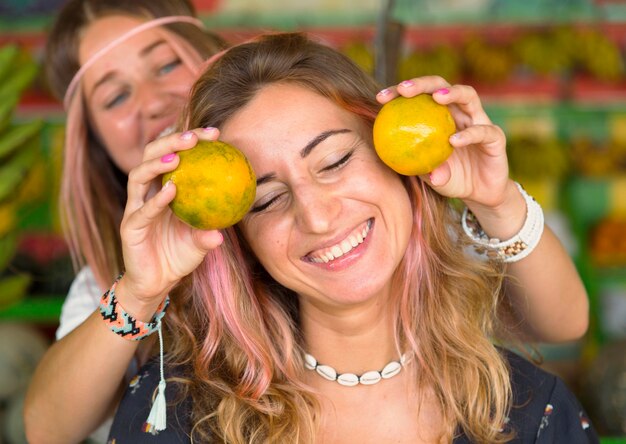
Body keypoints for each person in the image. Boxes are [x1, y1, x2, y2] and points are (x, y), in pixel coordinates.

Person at [23, 1, 589, 441]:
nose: (318, 216)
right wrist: (141, 290)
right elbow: (47, 429)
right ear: (236, 240)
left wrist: (495, 200)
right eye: (265, 200)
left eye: (336, 161)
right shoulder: (159, 376)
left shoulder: (530, 410)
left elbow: (564, 321)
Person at [23, 1, 226, 443]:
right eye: (115, 96)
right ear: (96, 141)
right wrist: (138, 294)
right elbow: (47, 429)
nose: (154, 103)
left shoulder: (322, 207)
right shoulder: (104, 281)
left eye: (167, 64)